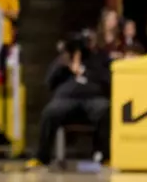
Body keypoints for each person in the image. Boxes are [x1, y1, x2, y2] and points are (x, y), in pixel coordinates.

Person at [29, 36, 110, 170]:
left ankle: (106, 156)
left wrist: (86, 70)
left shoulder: (97, 59)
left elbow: (107, 79)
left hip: (93, 98)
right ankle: (42, 157)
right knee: (50, 112)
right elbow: (49, 82)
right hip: (66, 99)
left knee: (104, 109)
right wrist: (63, 64)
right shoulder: (62, 61)